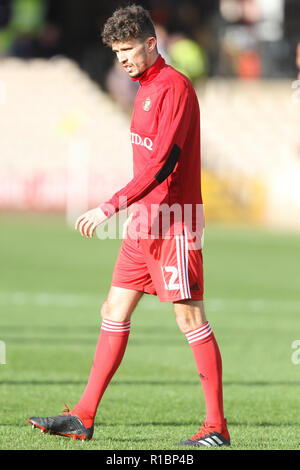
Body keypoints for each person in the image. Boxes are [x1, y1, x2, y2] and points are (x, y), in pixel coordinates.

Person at [28, 4, 230, 448]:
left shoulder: (173, 87)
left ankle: (216, 428)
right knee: (112, 312)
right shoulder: (141, 87)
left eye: (129, 48)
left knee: (189, 317)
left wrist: (108, 207)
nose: (122, 58)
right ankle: (83, 415)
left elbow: (162, 166)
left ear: (151, 44)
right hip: (144, 224)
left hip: (174, 223)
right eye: (116, 50)